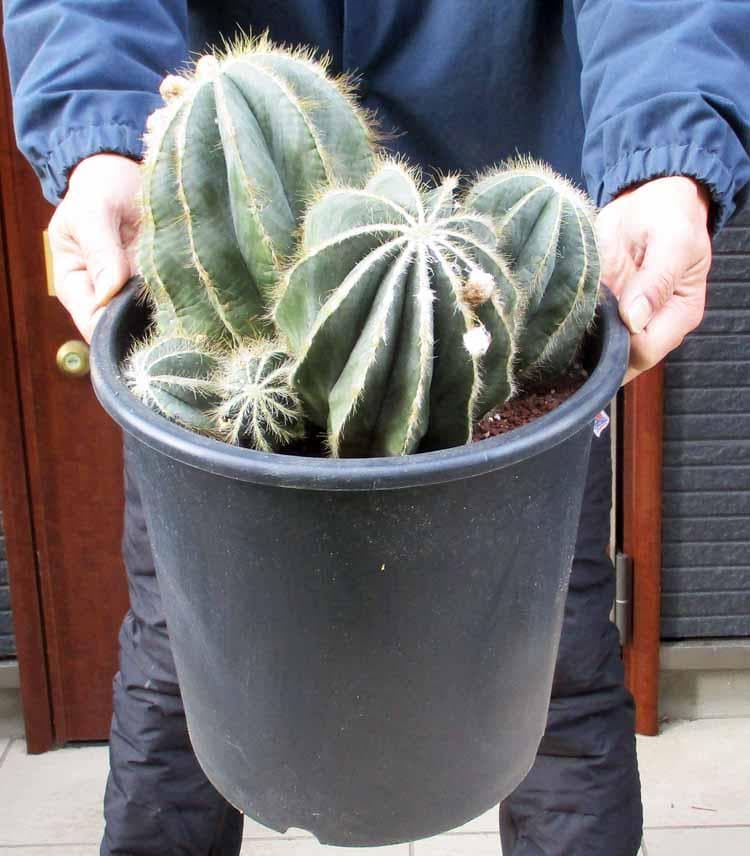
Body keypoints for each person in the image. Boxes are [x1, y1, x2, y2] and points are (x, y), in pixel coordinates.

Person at [4, 3, 750, 854]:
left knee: (554, 666)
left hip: (497, 264)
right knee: (184, 661)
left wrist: (666, 156)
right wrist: (100, 136)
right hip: (243, 238)